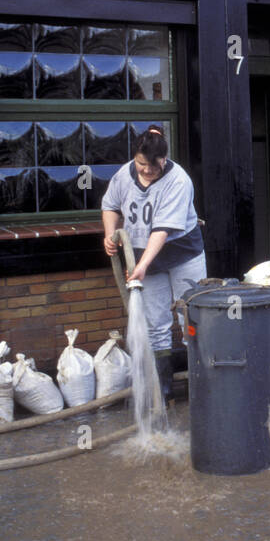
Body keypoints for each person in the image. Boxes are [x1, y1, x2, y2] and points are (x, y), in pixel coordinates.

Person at [101, 126, 206, 398]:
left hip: (181, 251)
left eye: (153, 165)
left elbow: (161, 231)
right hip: (142, 253)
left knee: (191, 315)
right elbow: (110, 205)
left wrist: (141, 265)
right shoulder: (124, 174)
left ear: (165, 158)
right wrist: (109, 234)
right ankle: (164, 388)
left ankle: (201, 382)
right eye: (141, 164)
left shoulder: (179, 180)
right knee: (155, 322)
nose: (146, 170)